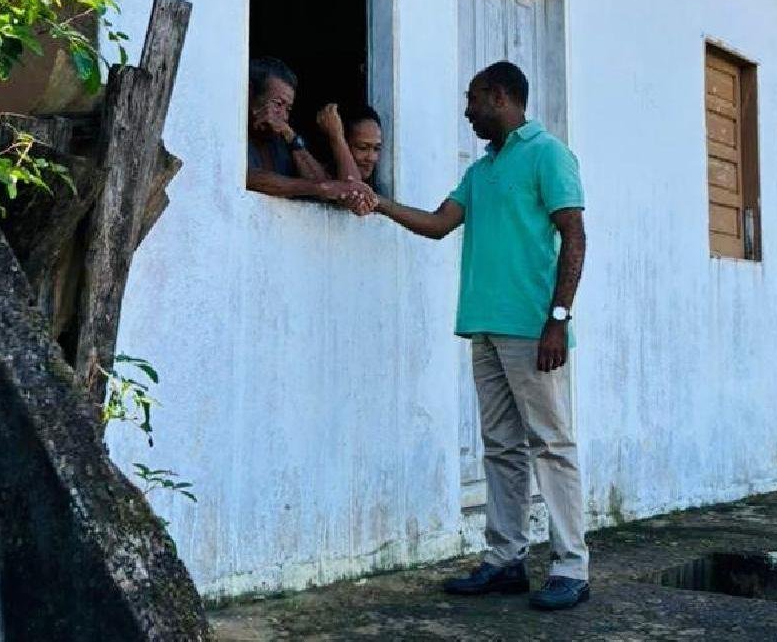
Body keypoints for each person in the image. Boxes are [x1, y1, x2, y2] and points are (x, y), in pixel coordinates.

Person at [372, 60, 590, 612]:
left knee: (551, 444)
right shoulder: (482, 169)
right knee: (501, 448)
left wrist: (558, 320)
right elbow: (438, 223)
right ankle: (505, 560)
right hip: (484, 328)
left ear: (499, 96)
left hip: (533, 330)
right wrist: (377, 203)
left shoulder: (549, 155)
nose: (467, 112)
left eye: (472, 100)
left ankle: (570, 567)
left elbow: (574, 236)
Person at [245, 56, 374, 211]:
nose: (284, 116)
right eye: (278, 104)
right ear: (250, 94)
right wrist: (320, 187)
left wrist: (292, 138)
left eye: (288, 109)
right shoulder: (231, 133)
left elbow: (325, 188)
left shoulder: (280, 141)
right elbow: (248, 178)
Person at [317, 103, 383, 190]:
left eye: (376, 148)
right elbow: (355, 191)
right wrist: (337, 138)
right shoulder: (317, 177)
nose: (371, 158)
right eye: (362, 148)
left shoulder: (379, 188)